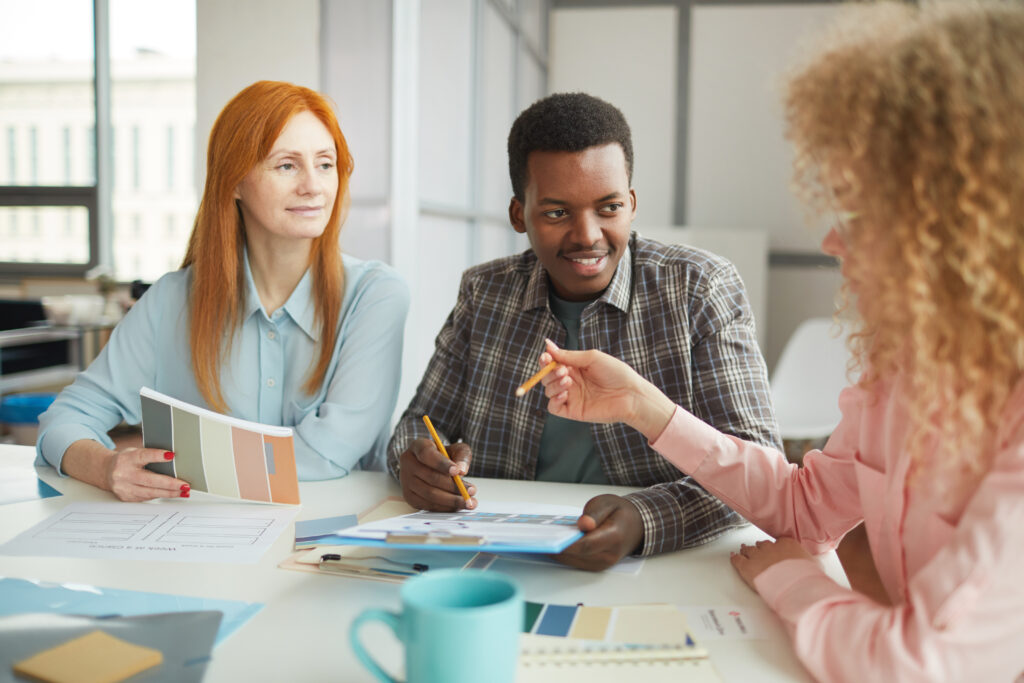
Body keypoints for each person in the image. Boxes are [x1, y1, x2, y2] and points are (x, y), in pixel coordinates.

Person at [534, 2, 1024, 679]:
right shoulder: (904, 370)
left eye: (859, 213)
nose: (831, 241)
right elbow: (804, 505)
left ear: (958, 226)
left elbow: (920, 661)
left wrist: (796, 580)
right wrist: (644, 407)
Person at [387, 92, 780, 571]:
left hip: (658, 569)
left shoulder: (699, 290)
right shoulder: (484, 292)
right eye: (556, 213)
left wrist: (643, 518)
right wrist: (416, 460)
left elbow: (759, 471)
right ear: (518, 215)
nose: (587, 235)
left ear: (632, 204)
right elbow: (420, 423)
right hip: (493, 561)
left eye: (609, 208)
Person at [37, 80, 409, 501]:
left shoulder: (375, 296)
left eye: (325, 164)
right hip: (198, 549)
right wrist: (105, 466)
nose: (313, 185)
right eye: (287, 165)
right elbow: (64, 419)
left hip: (327, 549)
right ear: (233, 182)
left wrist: (187, 469)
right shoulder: (171, 301)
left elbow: (329, 455)